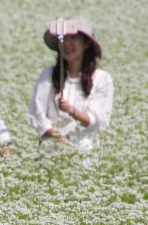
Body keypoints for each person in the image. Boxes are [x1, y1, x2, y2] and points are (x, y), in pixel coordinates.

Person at [28, 16, 113, 156]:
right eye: (63, 38)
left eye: (73, 38)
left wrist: (72, 111)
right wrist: (57, 138)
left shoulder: (101, 79)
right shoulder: (48, 74)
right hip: (51, 151)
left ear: (86, 43)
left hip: (84, 152)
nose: (67, 44)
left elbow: (96, 121)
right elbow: (37, 115)